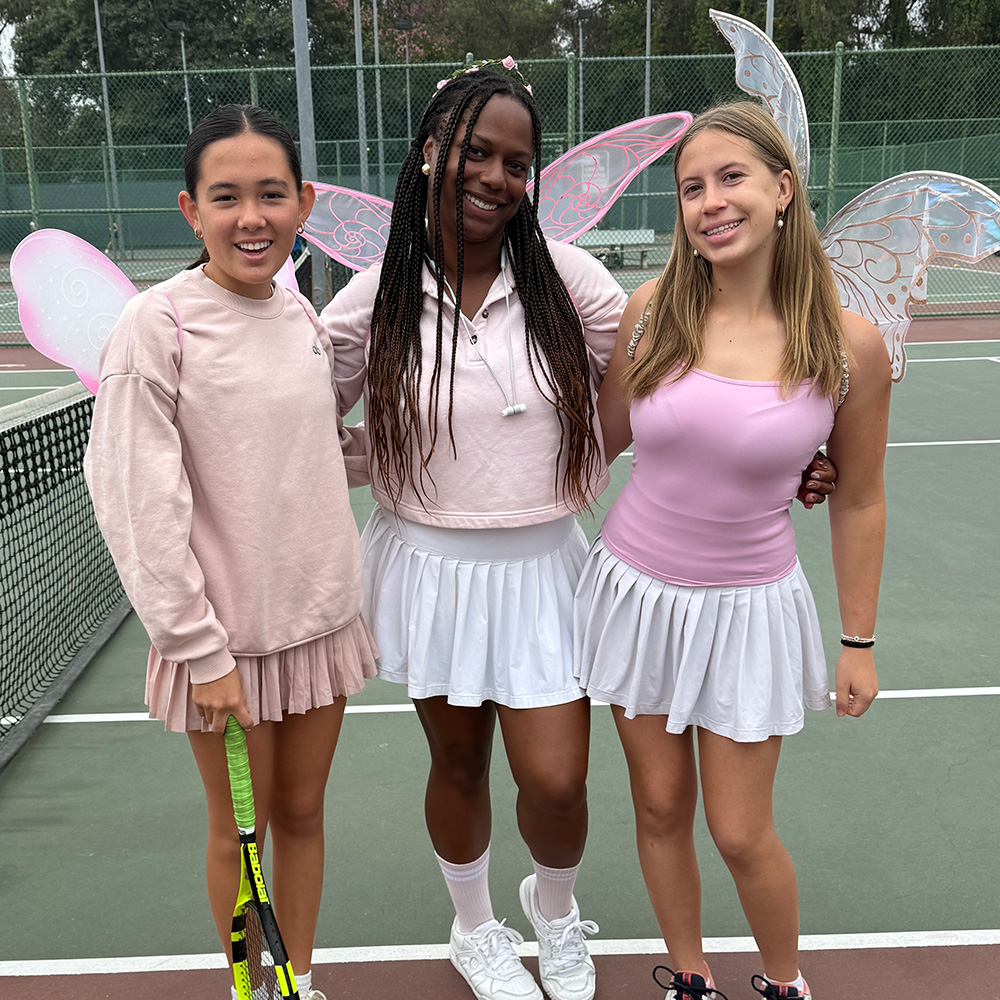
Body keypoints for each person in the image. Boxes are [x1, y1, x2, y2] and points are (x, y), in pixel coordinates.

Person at [322, 66, 836, 1000]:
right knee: (458, 761)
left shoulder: (569, 281)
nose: (494, 177)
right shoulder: (372, 296)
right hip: (429, 567)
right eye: (476, 152)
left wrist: (790, 449)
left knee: (557, 782)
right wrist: (370, 458)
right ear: (431, 153)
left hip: (547, 566)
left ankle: (553, 912)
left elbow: (678, 363)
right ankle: (475, 928)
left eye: (517, 163)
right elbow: (304, 416)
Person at [573, 101, 891, 1000]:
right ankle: (690, 975)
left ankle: (786, 985)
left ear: (783, 189)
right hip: (632, 593)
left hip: (750, 610)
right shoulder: (651, 313)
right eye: (691, 188)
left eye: (733, 178)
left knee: (743, 832)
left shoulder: (846, 344)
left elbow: (859, 496)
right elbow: (594, 446)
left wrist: (859, 641)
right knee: (661, 808)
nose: (711, 202)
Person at [83, 104, 378, 1000]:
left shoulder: (300, 317)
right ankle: (250, 992)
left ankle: (300, 984)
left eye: (270, 194)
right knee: (236, 831)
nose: (251, 217)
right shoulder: (157, 325)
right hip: (226, 648)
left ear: (304, 203)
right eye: (226, 198)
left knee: (300, 815)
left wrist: (408, 448)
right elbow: (136, 501)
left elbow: (309, 451)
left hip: (319, 622)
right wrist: (199, 649)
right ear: (190, 210)